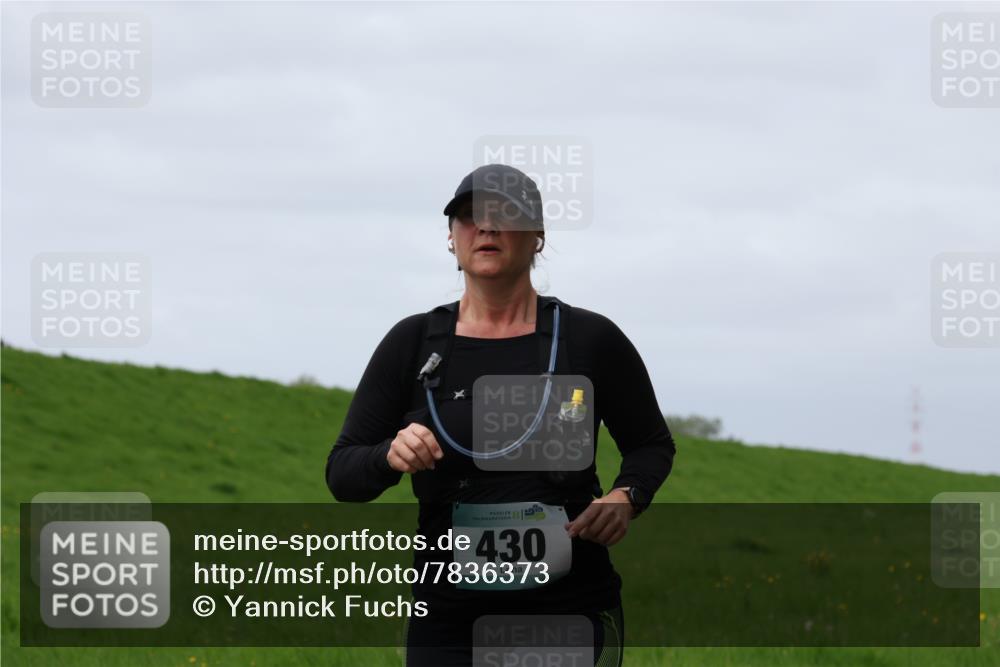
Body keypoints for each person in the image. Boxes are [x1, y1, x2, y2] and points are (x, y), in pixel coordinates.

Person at [325, 164, 676, 666]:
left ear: (538, 236)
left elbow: (650, 443)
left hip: (567, 610)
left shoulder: (589, 339)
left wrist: (628, 495)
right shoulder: (414, 342)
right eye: (469, 217)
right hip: (447, 618)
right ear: (451, 238)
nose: (485, 227)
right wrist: (388, 456)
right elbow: (342, 474)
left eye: (505, 215)